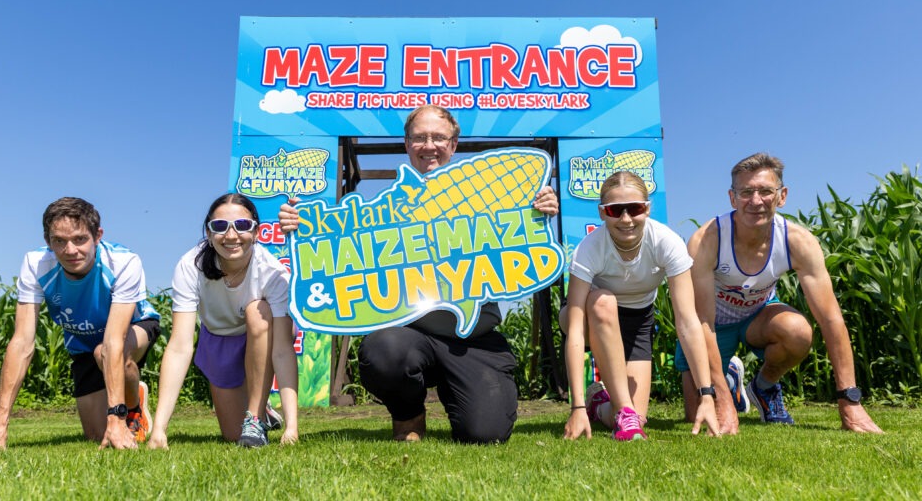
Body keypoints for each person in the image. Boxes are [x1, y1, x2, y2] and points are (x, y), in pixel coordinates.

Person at [278, 105, 558, 443]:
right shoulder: (386, 207)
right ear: (407, 144)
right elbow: (338, 234)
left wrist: (540, 207)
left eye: (439, 137)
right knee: (384, 351)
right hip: (410, 334)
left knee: (485, 435)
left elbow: (526, 239)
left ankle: (466, 396)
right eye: (420, 138)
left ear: (453, 145)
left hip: (474, 338)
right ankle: (408, 415)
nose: (430, 146)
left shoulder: (496, 200)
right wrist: (302, 225)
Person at [678, 152, 883, 434]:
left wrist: (850, 400)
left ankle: (762, 386)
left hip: (758, 319)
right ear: (732, 198)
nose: (756, 201)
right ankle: (730, 384)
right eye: (746, 192)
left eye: (765, 191)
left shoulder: (798, 241)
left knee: (798, 332)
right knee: (697, 415)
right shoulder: (707, 240)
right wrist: (722, 400)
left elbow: (831, 319)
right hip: (713, 326)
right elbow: (702, 322)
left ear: (782, 195)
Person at [0, 197, 161, 451]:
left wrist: (116, 418)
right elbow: (21, 342)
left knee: (104, 352)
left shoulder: (124, 262)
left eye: (80, 239)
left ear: (97, 236)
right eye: (59, 241)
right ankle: (128, 397)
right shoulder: (35, 265)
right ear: (48, 241)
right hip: (83, 342)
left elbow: (114, 340)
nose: (70, 250)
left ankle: (132, 408)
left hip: (134, 328)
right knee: (94, 435)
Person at [560, 171, 719, 441]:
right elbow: (574, 330)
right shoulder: (589, 249)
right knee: (603, 302)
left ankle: (599, 403)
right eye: (614, 210)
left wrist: (706, 394)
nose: (625, 219)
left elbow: (688, 321)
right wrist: (575, 407)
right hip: (589, 317)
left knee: (634, 418)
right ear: (602, 213)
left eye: (634, 208)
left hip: (637, 321)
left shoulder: (666, 242)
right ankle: (597, 404)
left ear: (647, 209)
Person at [148, 193, 298, 449]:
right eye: (220, 226)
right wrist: (159, 429)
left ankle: (255, 416)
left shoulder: (273, 272)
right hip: (219, 339)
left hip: (261, 332)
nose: (231, 235)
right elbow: (179, 346)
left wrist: (293, 427)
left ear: (257, 231)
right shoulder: (190, 265)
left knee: (257, 311)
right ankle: (265, 412)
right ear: (208, 233)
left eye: (242, 225)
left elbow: (283, 350)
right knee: (231, 435)